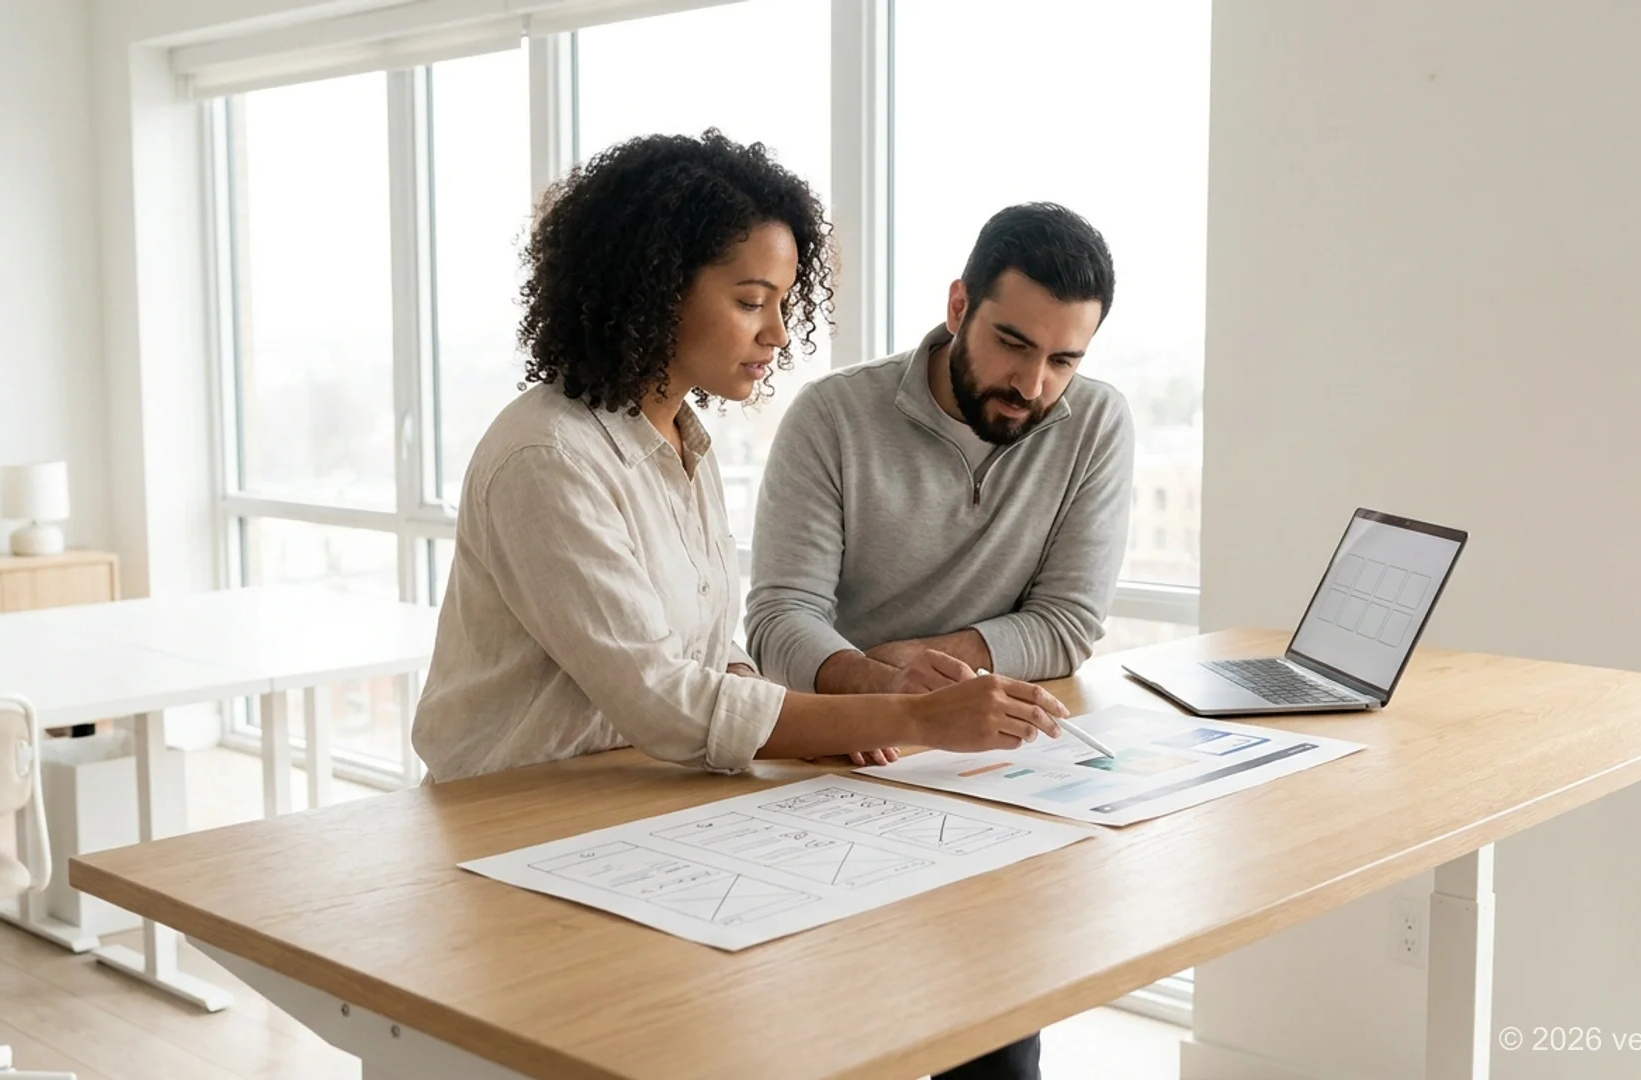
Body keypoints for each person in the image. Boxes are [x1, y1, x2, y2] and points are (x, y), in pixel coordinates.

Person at [411, 131, 1068, 785]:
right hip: (506, 811)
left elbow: (698, 646)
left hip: (623, 795)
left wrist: (816, 727)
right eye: (752, 302)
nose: (778, 333)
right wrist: (910, 717)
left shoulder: (680, 438)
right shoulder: (549, 458)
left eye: (783, 302)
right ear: (656, 290)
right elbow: (662, 697)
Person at [745, 201, 1133, 1080]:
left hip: (992, 779)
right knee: (836, 1041)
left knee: (996, 1051)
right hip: (842, 771)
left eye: (1064, 359)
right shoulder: (833, 417)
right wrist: (876, 685)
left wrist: (920, 665)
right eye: (1012, 343)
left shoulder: (1095, 425)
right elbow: (777, 619)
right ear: (959, 306)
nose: (1032, 384)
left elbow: (1068, 624)